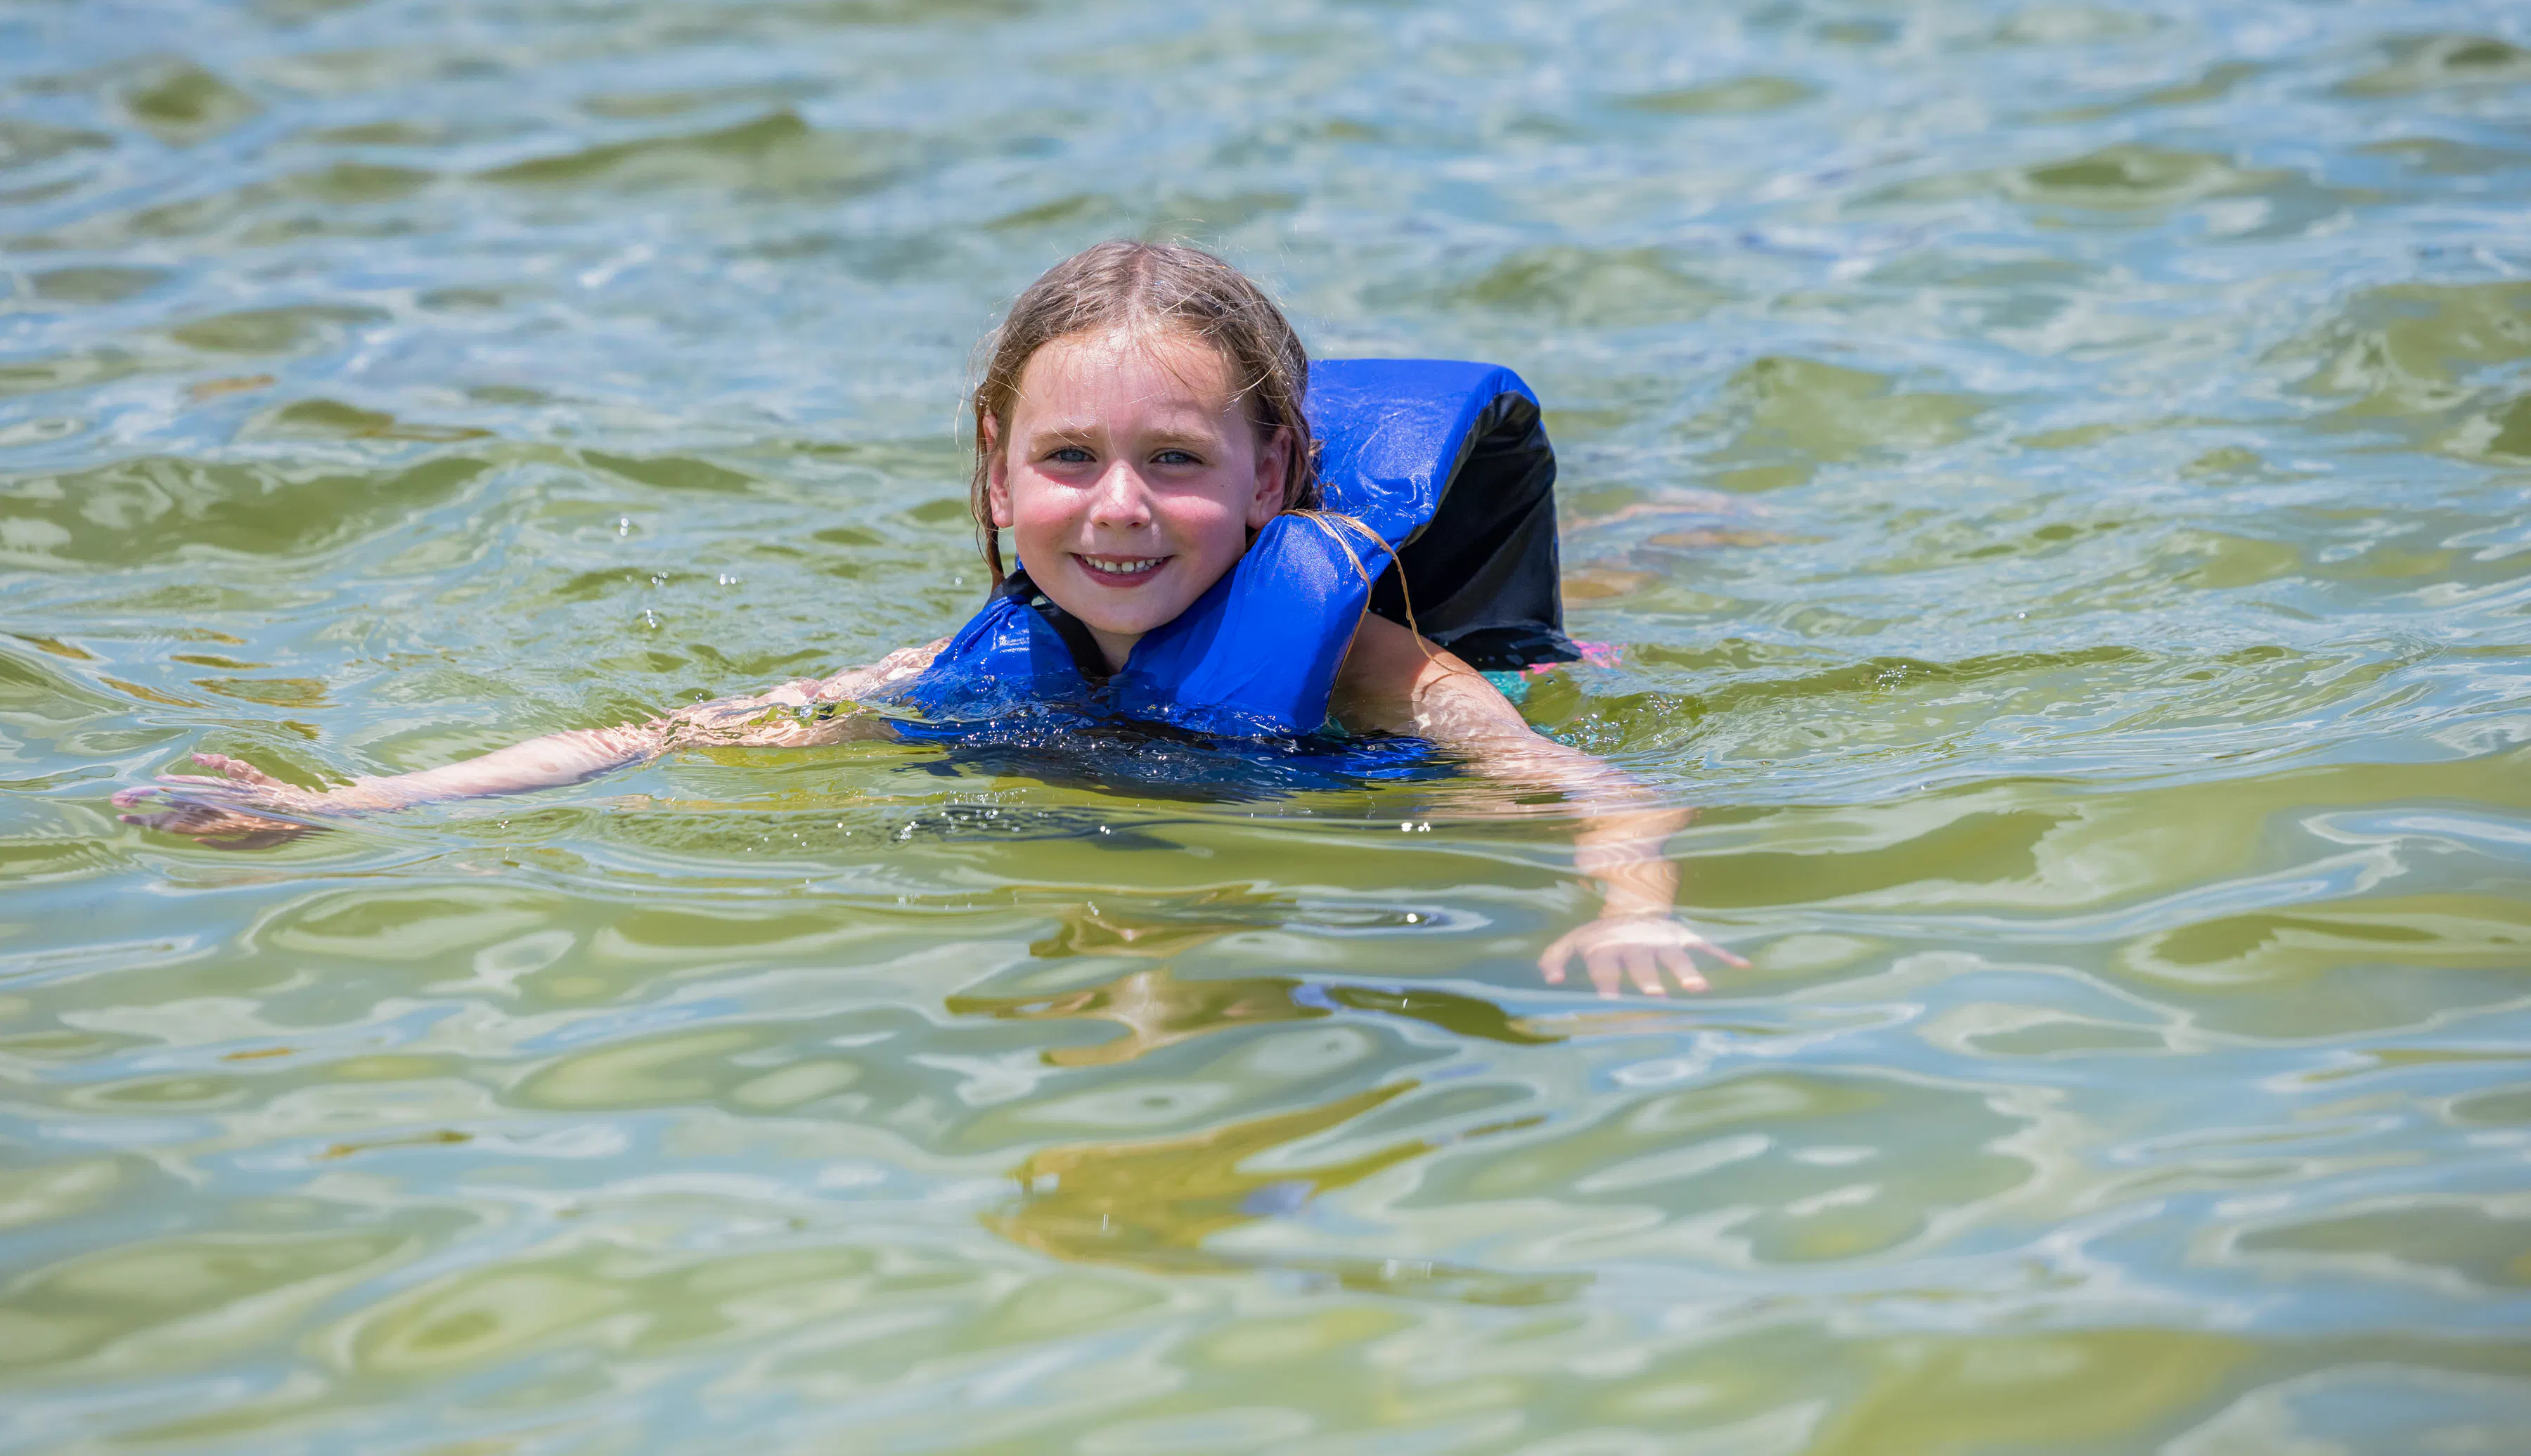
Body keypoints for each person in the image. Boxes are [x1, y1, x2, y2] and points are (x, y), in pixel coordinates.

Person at [117, 243, 1745, 998]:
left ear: (1276, 479)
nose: (1116, 508)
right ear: (993, 479)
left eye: (1176, 464)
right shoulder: (957, 674)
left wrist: (1630, 909)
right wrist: (341, 808)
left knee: (1598, 613)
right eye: (1068, 460)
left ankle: (1665, 539)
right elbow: (644, 743)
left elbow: (1603, 791)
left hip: (1474, 674)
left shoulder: (1381, 673)